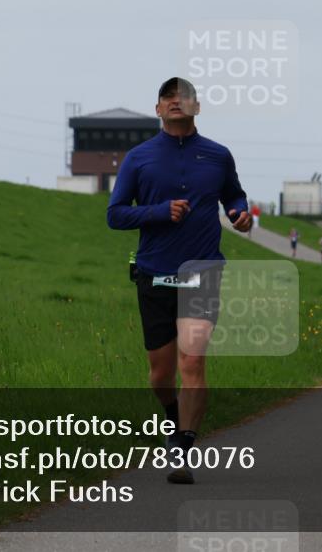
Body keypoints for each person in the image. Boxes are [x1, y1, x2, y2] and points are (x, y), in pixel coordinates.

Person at [107, 77, 252, 484]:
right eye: (168, 98)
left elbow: (235, 197)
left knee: (193, 360)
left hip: (203, 270)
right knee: (160, 373)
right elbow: (115, 214)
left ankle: (184, 448)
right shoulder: (139, 158)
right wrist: (157, 212)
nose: (176, 102)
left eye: (183, 97)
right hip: (154, 272)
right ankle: (173, 419)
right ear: (157, 109)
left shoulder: (219, 155)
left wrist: (241, 213)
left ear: (197, 107)